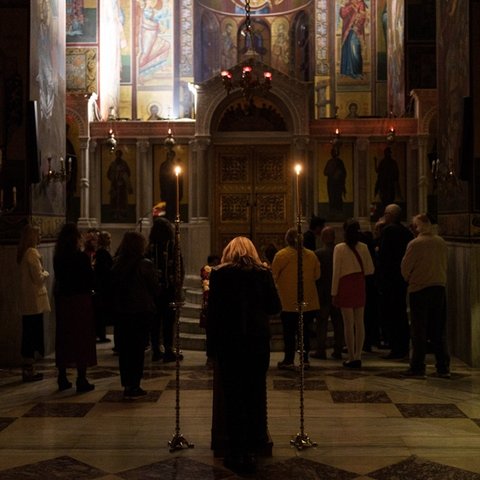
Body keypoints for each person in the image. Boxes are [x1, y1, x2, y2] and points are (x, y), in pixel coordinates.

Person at [207, 237, 281, 474]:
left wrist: (212, 348)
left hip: (230, 343)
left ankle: (235, 451)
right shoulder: (262, 273)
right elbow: (274, 307)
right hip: (257, 343)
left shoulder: (219, 274)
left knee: (233, 397)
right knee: (254, 393)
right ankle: (252, 449)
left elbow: (214, 313)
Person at [111, 232, 161, 399]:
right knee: (137, 349)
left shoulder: (117, 263)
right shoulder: (144, 264)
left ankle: (127, 384)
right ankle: (135, 384)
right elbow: (154, 287)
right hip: (140, 311)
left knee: (125, 350)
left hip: (122, 311)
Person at [400, 214, 450, 378]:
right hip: (438, 288)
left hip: (419, 289)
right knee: (438, 329)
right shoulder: (441, 242)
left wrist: (410, 278)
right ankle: (442, 366)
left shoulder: (415, 244)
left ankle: (418, 366)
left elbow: (405, 268)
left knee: (418, 329)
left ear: (416, 227)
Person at [54, 223, 96, 393]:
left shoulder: (58, 257)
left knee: (64, 336)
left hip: (64, 299)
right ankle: (81, 378)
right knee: (81, 338)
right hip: (80, 300)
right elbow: (89, 279)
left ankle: (62, 376)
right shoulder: (81, 258)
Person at [272, 227, 320, 370]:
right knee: (304, 332)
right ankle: (304, 360)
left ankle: (289, 360)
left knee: (289, 333)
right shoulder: (311, 255)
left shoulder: (281, 255)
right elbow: (317, 275)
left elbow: (274, 275)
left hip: (288, 301)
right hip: (308, 301)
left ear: (287, 239)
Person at [332, 219, 374, 368]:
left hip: (344, 284)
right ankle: (358, 356)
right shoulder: (363, 247)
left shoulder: (339, 248)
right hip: (359, 283)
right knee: (359, 322)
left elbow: (336, 271)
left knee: (348, 324)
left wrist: (334, 291)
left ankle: (350, 356)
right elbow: (370, 270)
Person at [376, 204, 414, 360]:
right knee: (400, 313)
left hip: (389, 279)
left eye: (385, 213)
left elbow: (382, 255)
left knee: (391, 314)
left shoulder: (389, 230)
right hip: (401, 279)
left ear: (390, 215)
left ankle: (396, 347)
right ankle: (403, 346)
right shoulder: (406, 232)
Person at [147, 216, 184, 362]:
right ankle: (168, 349)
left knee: (155, 322)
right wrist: (178, 286)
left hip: (154, 290)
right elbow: (179, 268)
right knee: (169, 321)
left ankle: (156, 349)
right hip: (169, 289)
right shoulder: (173, 246)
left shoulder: (150, 247)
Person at [17, 224, 50, 382]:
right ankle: (29, 370)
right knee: (31, 335)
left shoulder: (25, 252)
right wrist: (46, 272)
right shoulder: (32, 253)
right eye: (38, 235)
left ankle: (29, 369)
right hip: (34, 300)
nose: (41, 237)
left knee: (29, 334)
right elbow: (38, 277)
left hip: (28, 300)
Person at [311, 227, 344, 360]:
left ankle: (321, 350)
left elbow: (315, 275)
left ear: (323, 238)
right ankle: (338, 350)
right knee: (338, 322)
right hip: (337, 291)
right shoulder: (341, 252)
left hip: (323, 292)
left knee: (322, 323)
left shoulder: (318, 253)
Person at [199, 254, 221, 368]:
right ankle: (211, 357)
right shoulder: (206, 271)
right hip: (210, 305)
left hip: (218, 306)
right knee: (210, 334)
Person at [93, 231, 113, 344]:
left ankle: (101, 334)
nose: (110, 240)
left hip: (102, 285)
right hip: (102, 286)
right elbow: (104, 270)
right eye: (108, 238)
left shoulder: (102, 252)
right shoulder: (102, 252)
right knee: (101, 312)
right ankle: (100, 334)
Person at [339, 0, 367, 79]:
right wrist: (350, 6)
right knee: (346, 48)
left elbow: (362, 16)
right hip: (346, 30)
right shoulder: (347, 2)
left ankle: (356, 72)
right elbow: (342, 14)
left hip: (356, 30)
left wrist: (356, 25)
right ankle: (346, 71)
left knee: (355, 49)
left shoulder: (360, 3)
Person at [107, 150, 133, 220]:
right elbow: (109, 174)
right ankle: (114, 214)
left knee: (122, 200)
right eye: (117, 154)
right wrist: (114, 177)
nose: (118, 156)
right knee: (114, 200)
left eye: (119, 154)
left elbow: (128, 173)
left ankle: (122, 214)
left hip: (122, 186)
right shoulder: (112, 164)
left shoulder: (124, 164)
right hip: (114, 185)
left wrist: (123, 176)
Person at [374, 147, 401, 211]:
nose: (387, 154)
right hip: (384, 184)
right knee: (384, 199)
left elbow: (396, 174)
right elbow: (378, 171)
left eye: (388, 153)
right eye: (386, 153)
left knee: (390, 199)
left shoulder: (392, 162)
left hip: (389, 184)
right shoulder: (384, 162)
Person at [160, 149, 183, 222]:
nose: (171, 157)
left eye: (172, 156)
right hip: (166, 188)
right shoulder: (164, 165)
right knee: (166, 204)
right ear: (167, 156)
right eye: (169, 155)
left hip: (174, 188)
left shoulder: (176, 165)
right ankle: (166, 219)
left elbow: (179, 178)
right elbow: (162, 176)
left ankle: (174, 218)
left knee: (174, 204)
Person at [324, 148, 347, 214]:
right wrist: (331, 172)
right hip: (331, 183)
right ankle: (332, 210)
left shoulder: (340, 162)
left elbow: (344, 172)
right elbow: (325, 172)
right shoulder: (330, 162)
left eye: (335, 152)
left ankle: (339, 210)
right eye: (333, 152)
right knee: (331, 196)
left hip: (338, 183)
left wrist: (339, 173)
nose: (334, 154)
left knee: (338, 196)